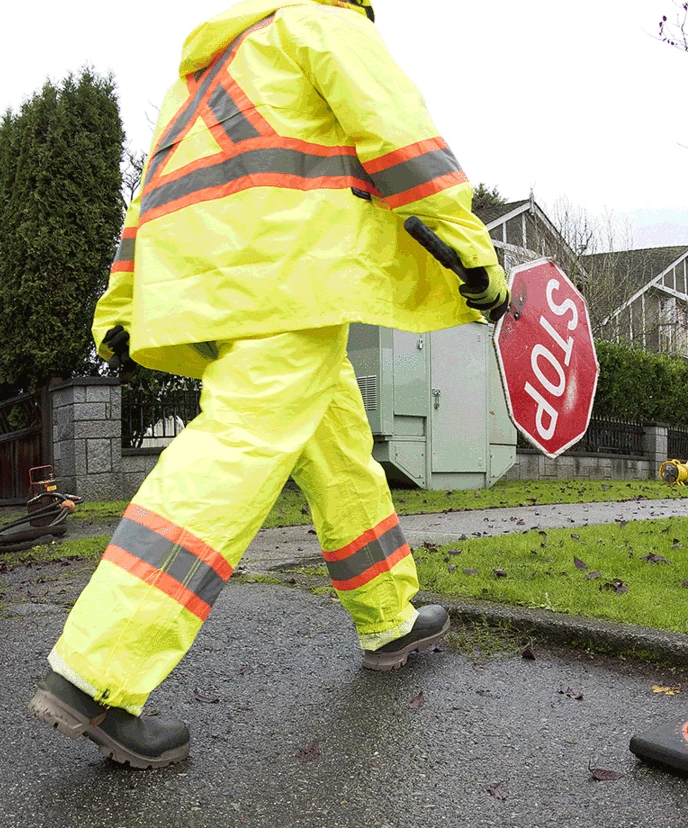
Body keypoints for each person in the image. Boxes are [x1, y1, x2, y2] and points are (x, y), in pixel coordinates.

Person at [28, 0, 509, 769]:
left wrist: (120, 301)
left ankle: (388, 614)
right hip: (291, 277)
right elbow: (404, 143)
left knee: (337, 442)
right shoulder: (326, 27)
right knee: (239, 446)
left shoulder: (207, 67)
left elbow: (150, 195)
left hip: (215, 290)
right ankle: (97, 672)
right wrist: (472, 253)